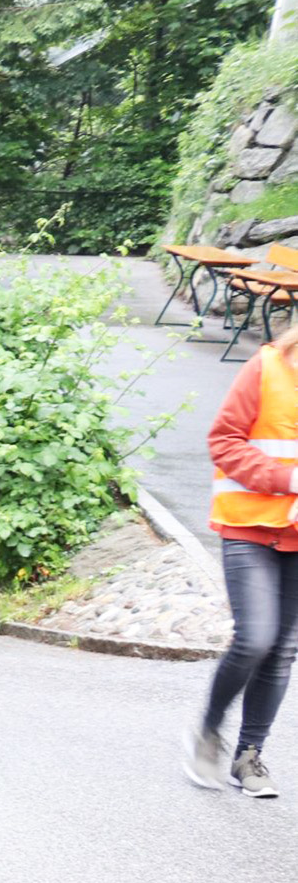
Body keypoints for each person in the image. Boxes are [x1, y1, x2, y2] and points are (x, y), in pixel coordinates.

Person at [189, 332, 298, 797]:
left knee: (282, 649)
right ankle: (208, 734)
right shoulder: (267, 367)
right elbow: (224, 441)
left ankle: (249, 756)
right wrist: (288, 478)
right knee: (255, 638)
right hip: (248, 527)